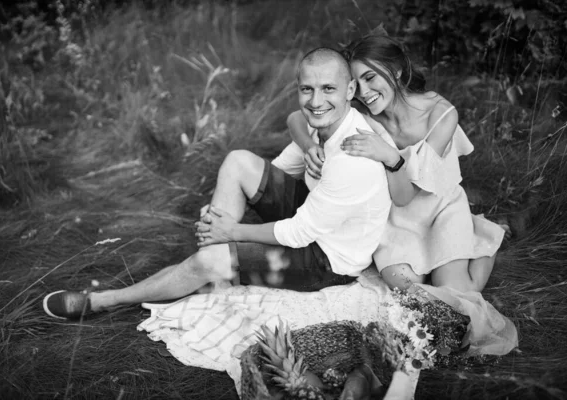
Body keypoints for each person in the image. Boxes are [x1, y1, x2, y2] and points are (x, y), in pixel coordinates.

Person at [42, 47, 392, 319]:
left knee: (208, 261)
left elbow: (299, 234)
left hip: (326, 259)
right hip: (315, 216)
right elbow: (278, 170)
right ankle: (211, 248)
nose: (315, 101)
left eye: (328, 89)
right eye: (307, 89)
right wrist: (221, 218)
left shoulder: (353, 160)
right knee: (238, 160)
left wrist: (233, 231)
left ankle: (104, 300)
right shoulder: (326, 122)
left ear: (350, 91)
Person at [287, 33, 506, 293]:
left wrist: (390, 156)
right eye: (357, 83)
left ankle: (484, 241)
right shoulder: (363, 112)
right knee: (403, 281)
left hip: (439, 205)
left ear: (397, 72)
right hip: (395, 214)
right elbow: (295, 118)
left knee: (455, 289)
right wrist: (309, 145)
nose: (365, 92)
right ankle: (460, 241)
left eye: (371, 78)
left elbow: (410, 192)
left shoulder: (440, 113)